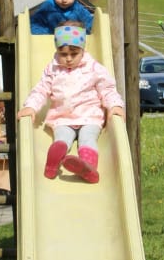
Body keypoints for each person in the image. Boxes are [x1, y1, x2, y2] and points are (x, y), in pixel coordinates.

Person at [17, 21, 125, 184]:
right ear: (57, 50)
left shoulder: (94, 68)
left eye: (74, 54)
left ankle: (88, 167)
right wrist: (31, 107)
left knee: (87, 139)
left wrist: (115, 105)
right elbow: (41, 90)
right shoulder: (52, 69)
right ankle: (52, 164)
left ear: (83, 49)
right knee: (62, 139)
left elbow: (107, 89)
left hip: (89, 117)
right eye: (63, 54)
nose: (68, 59)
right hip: (63, 118)